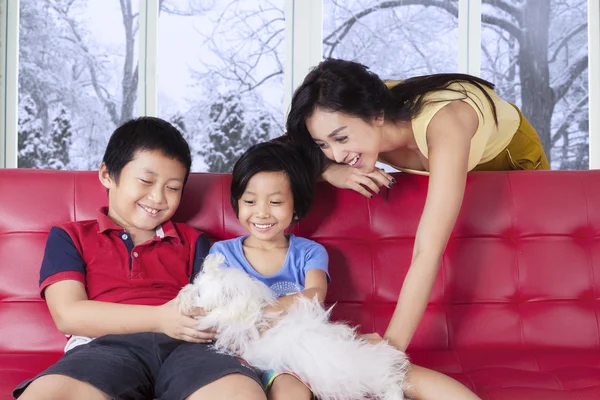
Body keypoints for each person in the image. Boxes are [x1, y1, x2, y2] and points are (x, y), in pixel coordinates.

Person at [284, 58, 549, 354]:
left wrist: (390, 347)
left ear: (377, 116)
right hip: (443, 154)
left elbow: (428, 250)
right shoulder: (349, 113)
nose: (335, 152)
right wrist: (330, 171)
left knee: (522, 266)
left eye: (341, 138)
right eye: (323, 145)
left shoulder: (444, 125)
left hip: (509, 157)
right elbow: (281, 152)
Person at [14, 117, 266, 400]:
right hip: (104, 348)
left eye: (173, 188)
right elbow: (68, 314)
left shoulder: (194, 241)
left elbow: (212, 306)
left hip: (189, 348)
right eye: (146, 181)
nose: (158, 197)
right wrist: (159, 318)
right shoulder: (71, 236)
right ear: (107, 175)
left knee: (240, 392)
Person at [211, 140, 481, 400]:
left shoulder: (307, 252)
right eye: (250, 201)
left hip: (311, 347)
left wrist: (266, 312)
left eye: (275, 202)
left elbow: (315, 294)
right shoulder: (223, 254)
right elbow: (218, 310)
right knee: (286, 385)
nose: (261, 213)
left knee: (396, 370)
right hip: (254, 353)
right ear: (237, 203)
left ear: (296, 207)